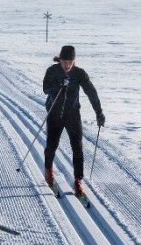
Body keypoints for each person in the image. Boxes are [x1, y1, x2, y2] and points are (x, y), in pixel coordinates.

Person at [43, 45, 105, 197]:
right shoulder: (52, 71)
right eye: (65, 61)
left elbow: (91, 92)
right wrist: (57, 86)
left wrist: (99, 112)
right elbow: (45, 88)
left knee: (77, 147)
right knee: (52, 145)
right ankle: (49, 170)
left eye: (70, 62)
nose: (67, 65)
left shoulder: (79, 74)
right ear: (60, 60)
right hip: (55, 113)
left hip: (72, 114)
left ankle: (78, 180)